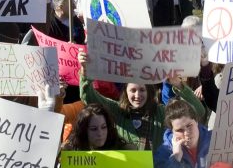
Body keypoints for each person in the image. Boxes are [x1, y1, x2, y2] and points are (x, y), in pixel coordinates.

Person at [77, 50, 206, 151]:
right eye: (133, 90)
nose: (137, 95)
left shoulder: (161, 112)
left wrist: (177, 84)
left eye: (142, 90)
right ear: (125, 92)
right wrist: (85, 71)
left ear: (149, 91)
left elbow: (198, 111)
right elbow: (88, 97)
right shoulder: (117, 111)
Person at [153, 100, 208, 168]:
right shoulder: (164, 152)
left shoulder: (214, 139)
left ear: (196, 121)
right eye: (179, 130)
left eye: (189, 125)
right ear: (172, 131)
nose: (186, 133)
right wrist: (176, 158)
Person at [60, 104, 125, 152]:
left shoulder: (123, 149)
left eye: (104, 127)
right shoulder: (69, 151)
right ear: (84, 130)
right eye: (94, 129)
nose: (100, 133)